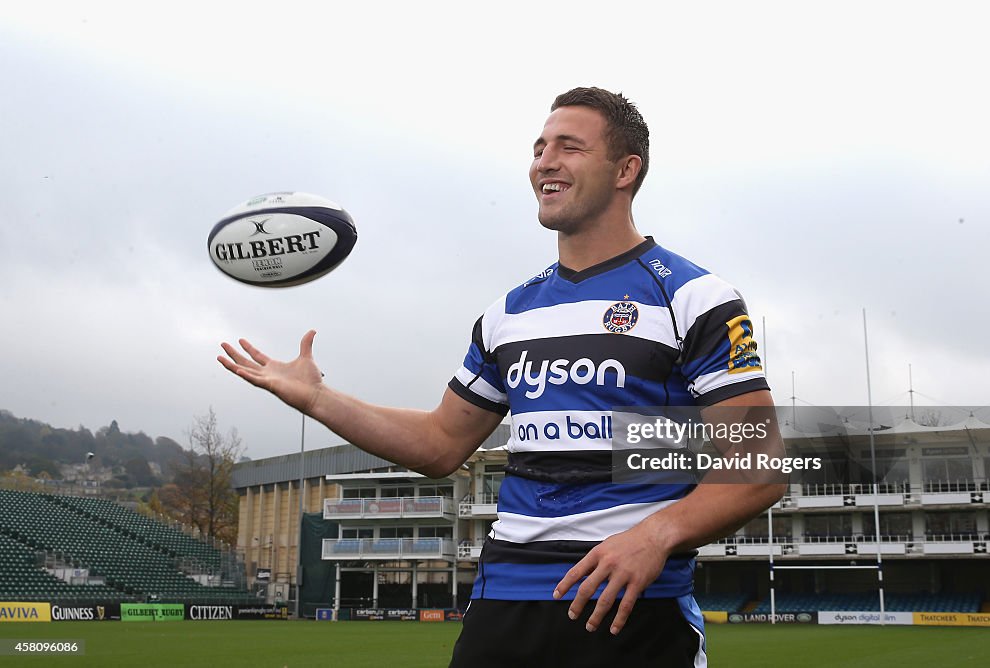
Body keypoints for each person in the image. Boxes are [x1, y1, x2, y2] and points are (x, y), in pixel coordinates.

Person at [219, 87, 786, 667]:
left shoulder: (692, 298)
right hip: (503, 608)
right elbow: (440, 444)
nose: (545, 161)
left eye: (569, 147)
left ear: (626, 170)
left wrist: (657, 534)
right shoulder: (507, 315)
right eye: (539, 148)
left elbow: (759, 468)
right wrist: (318, 399)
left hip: (631, 608)